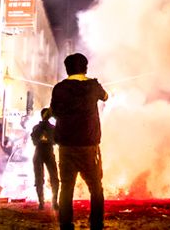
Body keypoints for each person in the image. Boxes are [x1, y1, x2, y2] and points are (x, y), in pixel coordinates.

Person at [50, 52, 109, 230]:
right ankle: (96, 223)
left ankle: (66, 224)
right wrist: (95, 85)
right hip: (89, 145)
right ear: (85, 68)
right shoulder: (93, 86)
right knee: (96, 187)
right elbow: (106, 97)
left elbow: (54, 112)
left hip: (66, 146)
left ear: (67, 69)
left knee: (66, 186)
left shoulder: (59, 88)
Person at [31, 107, 59, 210]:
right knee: (53, 178)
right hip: (47, 153)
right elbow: (56, 141)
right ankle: (53, 202)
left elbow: (34, 141)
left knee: (40, 179)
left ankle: (42, 203)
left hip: (39, 153)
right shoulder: (52, 128)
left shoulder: (36, 128)